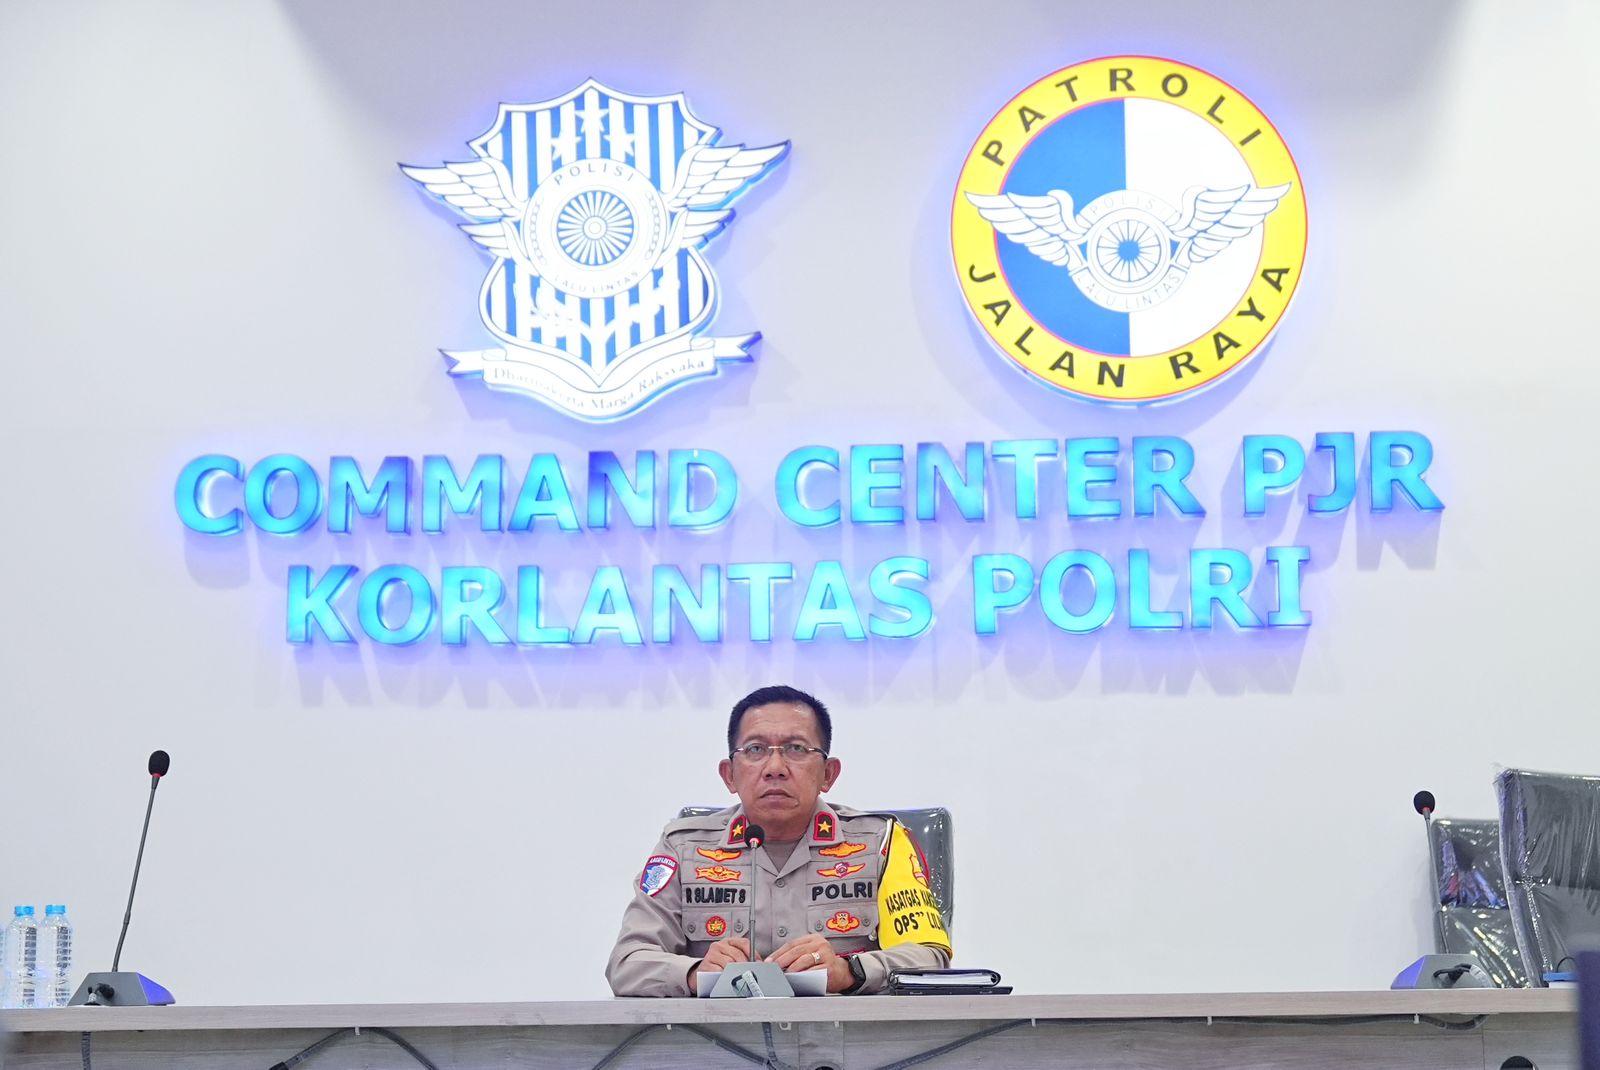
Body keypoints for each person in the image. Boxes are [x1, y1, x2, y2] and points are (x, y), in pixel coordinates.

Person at [606, 685, 951, 996]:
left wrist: (851, 971)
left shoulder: (881, 843)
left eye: (796, 748)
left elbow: (930, 957)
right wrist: (696, 973)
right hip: (718, 1038)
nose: (775, 767)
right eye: (755, 749)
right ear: (729, 775)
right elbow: (627, 963)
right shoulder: (683, 849)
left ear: (828, 774)